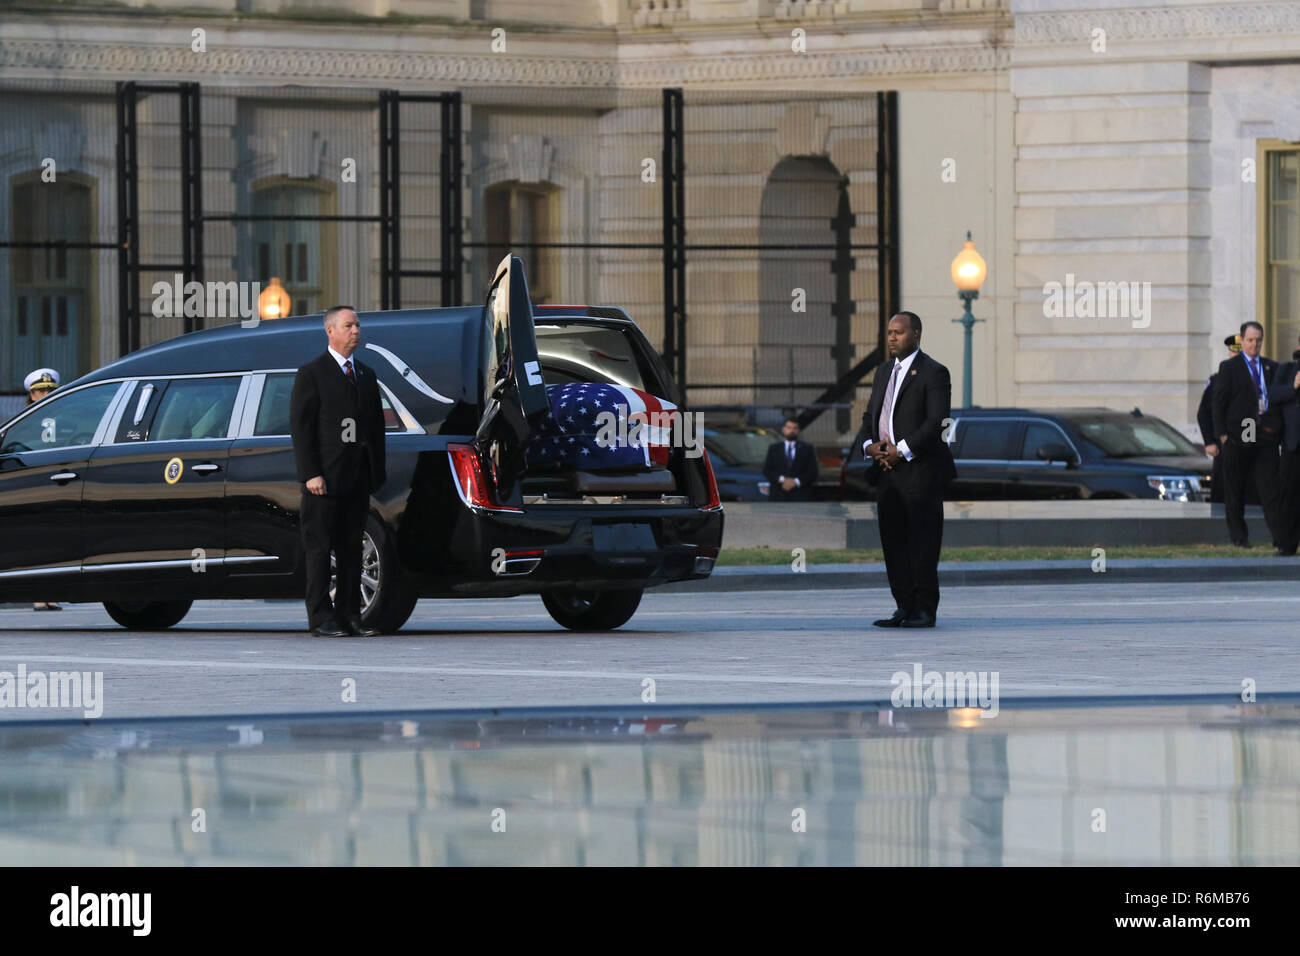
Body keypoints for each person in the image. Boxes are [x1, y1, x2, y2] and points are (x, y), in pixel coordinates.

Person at [290, 306, 388, 637]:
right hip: (323, 482)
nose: (356, 331)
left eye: (358, 325)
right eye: (349, 325)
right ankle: (321, 617)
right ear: (330, 331)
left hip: (356, 479)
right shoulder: (312, 373)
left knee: (351, 550)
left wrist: (376, 472)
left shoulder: (366, 374)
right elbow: (302, 430)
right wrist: (310, 474)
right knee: (319, 550)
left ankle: (350, 615)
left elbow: (375, 428)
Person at [857, 311, 956, 629]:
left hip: (920, 472)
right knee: (894, 542)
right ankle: (903, 606)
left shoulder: (933, 373)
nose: (892, 338)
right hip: (886, 472)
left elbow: (937, 421)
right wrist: (871, 447)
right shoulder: (883, 372)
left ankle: (924, 610)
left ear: (916, 335)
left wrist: (901, 450)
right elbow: (870, 415)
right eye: (889, 332)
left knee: (922, 543)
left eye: (899, 332)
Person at [1212, 320, 1282, 548]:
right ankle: (1239, 538)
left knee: (1269, 488)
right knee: (1236, 489)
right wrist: (1221, 435)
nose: (1255, 345)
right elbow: (1218, 403)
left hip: (1264, 435)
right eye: (1251, 340)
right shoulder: (1229, 368)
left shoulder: (1270, 367)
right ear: (1242, 341)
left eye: (1258, 340)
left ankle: (1280, 538)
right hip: (1239, 433)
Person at [24, 367, 62, 611]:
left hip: (56, 481)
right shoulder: (28, 419)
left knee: (53, 539)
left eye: (50, 390)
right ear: (31, 395)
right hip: (33, 482)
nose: (46, 394)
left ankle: (50, 593)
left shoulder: (63, 415)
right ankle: (38, 594)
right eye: (40, 391)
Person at [1197, 334, 1241, 504]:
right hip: (1224, 445)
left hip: (1247, 445)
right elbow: (1204, 413)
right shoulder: (1217, 380)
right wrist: (1209, 441)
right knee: (1222, 496)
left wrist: (1250, 439)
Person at [1267, 335, 1300, 556]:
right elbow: (1271, 395)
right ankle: (1287, 543)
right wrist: (1294, 386)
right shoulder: (1286, 370)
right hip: (1293, 443)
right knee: (1289, 495)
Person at [762, 416, 819, 502]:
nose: (792, 431)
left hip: (800, 496)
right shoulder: (774, 448)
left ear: (798, 430)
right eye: (789, 428)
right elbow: (767, 470)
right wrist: (783, 480)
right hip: (778, 495)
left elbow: (813, 472)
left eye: (795, 428)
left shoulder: (807, 448)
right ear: (783, 429)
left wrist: (796, 481)